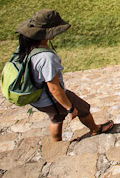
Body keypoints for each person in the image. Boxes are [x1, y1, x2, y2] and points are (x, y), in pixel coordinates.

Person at [16, 9, 113, 142]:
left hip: (38, 99)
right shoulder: (46, 58)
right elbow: (54, 88)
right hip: (51, 98)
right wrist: (70, 107)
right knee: (83, 108)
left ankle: (58, 144)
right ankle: (95, 129)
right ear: (48, 34)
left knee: (56, 118)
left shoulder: (26, 48)